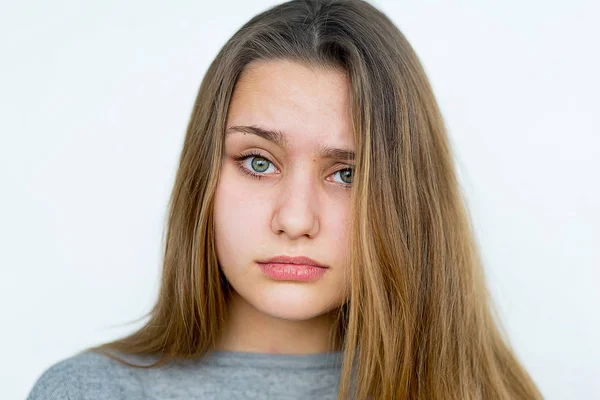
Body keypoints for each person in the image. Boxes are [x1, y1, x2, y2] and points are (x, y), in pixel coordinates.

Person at [26, 0, 543, 399]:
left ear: (408, 201)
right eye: (258, 162)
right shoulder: (88, 392)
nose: (295, 219)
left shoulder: (483, 394)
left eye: (347, 173)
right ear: (202, 179)